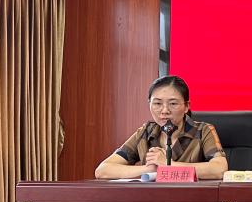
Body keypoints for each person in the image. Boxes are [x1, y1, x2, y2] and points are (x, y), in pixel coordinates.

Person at [95, 75, 228, 180]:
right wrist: (149, 169)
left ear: (186, 106)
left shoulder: (203, 131)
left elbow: (219, 169)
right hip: (152, 199)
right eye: (157, 103)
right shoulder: (146, 132)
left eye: (173, 104)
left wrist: (167, 164)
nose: (164, 111)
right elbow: (103, 170)